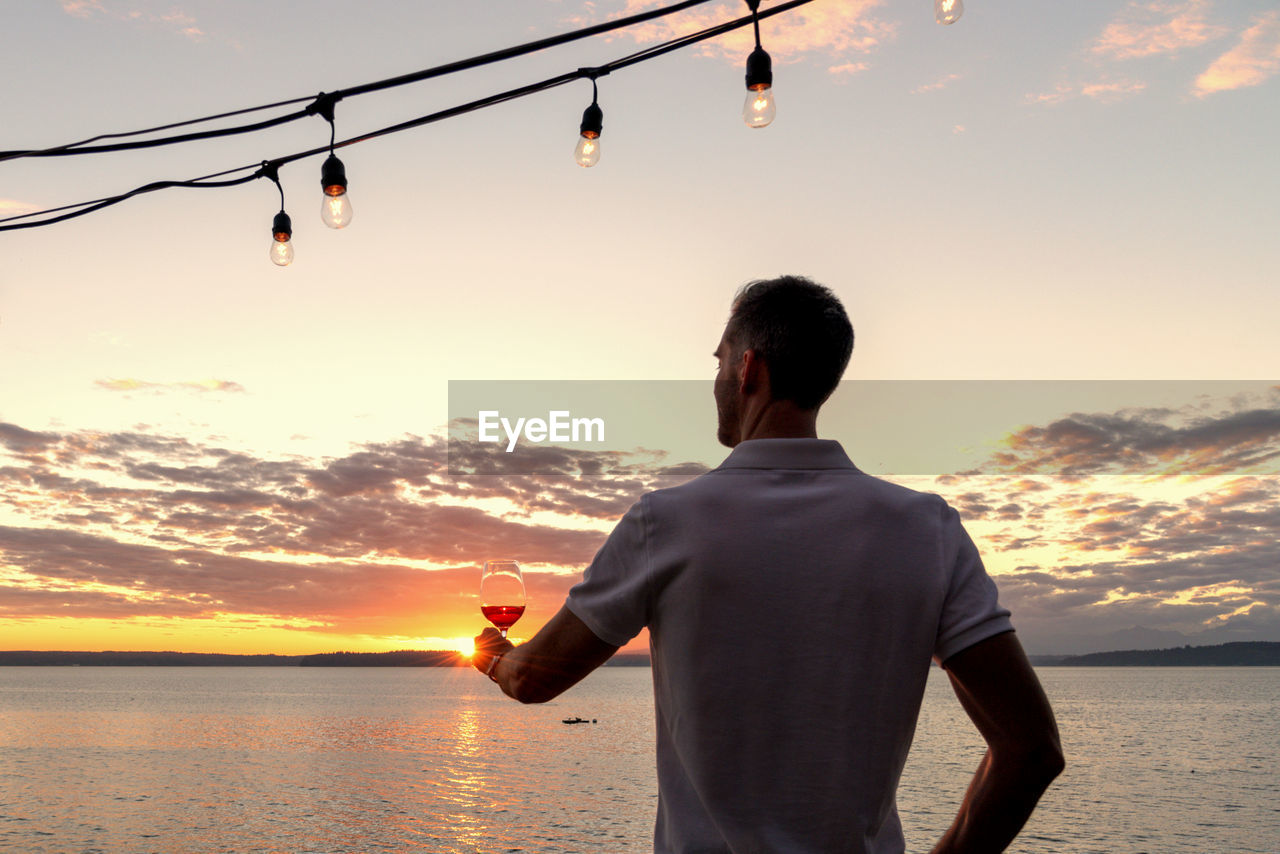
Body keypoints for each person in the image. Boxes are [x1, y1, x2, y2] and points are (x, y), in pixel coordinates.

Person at [473, 275, 1063, 854]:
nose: (716, 380)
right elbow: (1031, 751)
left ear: (748, 368)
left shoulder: (667, 523)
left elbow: (534, 678)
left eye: (719, 360)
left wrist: (496, 658)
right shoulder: (926, 529)